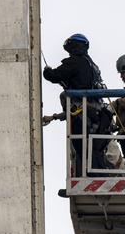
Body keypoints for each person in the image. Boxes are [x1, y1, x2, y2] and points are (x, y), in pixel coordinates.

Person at [41, 34, 109, 175]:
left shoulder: (75, 62)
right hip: (94, 113)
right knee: (90, 147)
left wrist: (47, 71)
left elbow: (54, 76)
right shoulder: (91, 65)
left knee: (82, 146)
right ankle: (94, 174)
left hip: (82, 114)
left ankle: (92, 176)